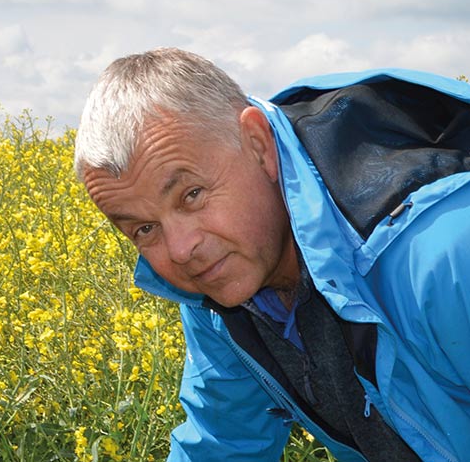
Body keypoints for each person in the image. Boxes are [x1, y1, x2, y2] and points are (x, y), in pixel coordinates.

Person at [74, 47, 470, 461]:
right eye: (144, 229)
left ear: (258, 143)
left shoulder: (442, 250)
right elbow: (224, 442)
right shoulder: (223, 279)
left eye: (191, 195)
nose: (180, 249)